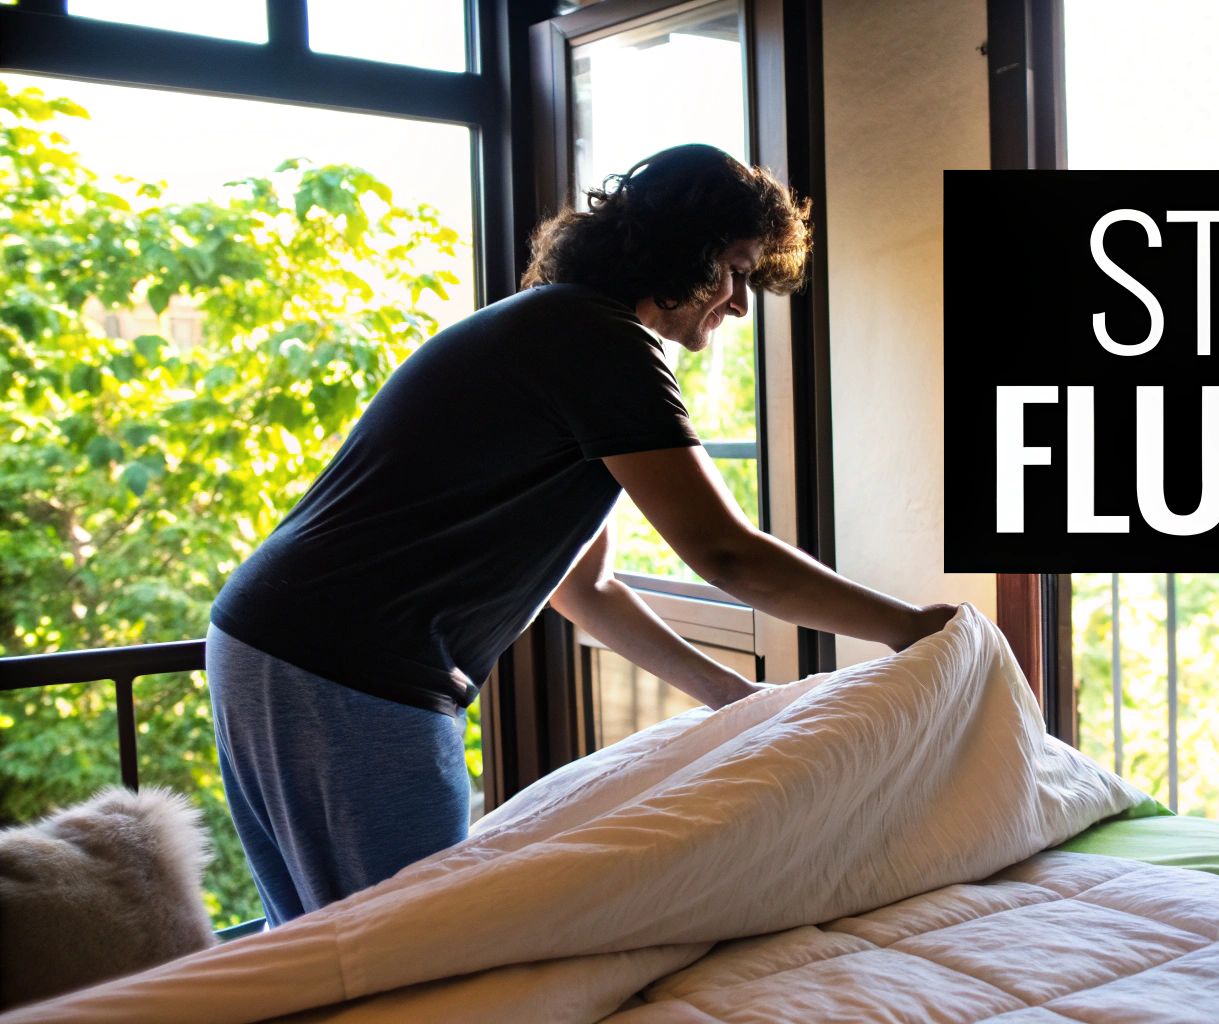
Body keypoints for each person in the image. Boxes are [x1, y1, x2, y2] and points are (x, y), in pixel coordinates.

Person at [205, 143, 956, 926]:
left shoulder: (557, 330)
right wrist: (909, 627)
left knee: (320, 944)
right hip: (346, 665)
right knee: (408, 954)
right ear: (679, 253)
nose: (740, 302)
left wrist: (730, 698)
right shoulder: (601, 344)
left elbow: (583, 588)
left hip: (275, 640)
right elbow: (724, 551)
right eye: (734, 269)